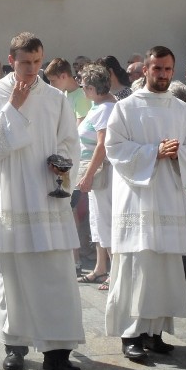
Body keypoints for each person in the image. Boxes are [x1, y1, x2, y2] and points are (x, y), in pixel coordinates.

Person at [0, 32, 85, 370]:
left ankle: (57, 352)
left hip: (46, 196)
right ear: (12, 59)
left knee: (57, 272)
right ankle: (15, 344)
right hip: (10, 195)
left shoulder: (56, 98)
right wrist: (15, 108)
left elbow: (70, 141)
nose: (32, 70)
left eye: (38, 62)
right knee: (14, 274)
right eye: (25, 63)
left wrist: (63, 163)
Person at [104, 46, 186, 362]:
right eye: (156, 68)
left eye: (167, 69)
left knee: (162, 268)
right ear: (146, 69)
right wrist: (153, 153)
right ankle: (131, 333)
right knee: (137, 265)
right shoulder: (125, 108)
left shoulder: (183, 110)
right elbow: (114, 148)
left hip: (169, 198)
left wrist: (178, 154)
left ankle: (155, 332)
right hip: (137, 199)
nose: (162, 74)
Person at [75, 64, 116, 288]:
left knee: (106, 219)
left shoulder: (106, 109)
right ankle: (101, 268)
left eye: (84, 86)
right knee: (97, 220)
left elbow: (102, 145)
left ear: (92, 88)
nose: (82, 90)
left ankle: (114, 273)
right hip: (95, 170)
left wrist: (89, 174)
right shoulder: (98, 105)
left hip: (103, 172)